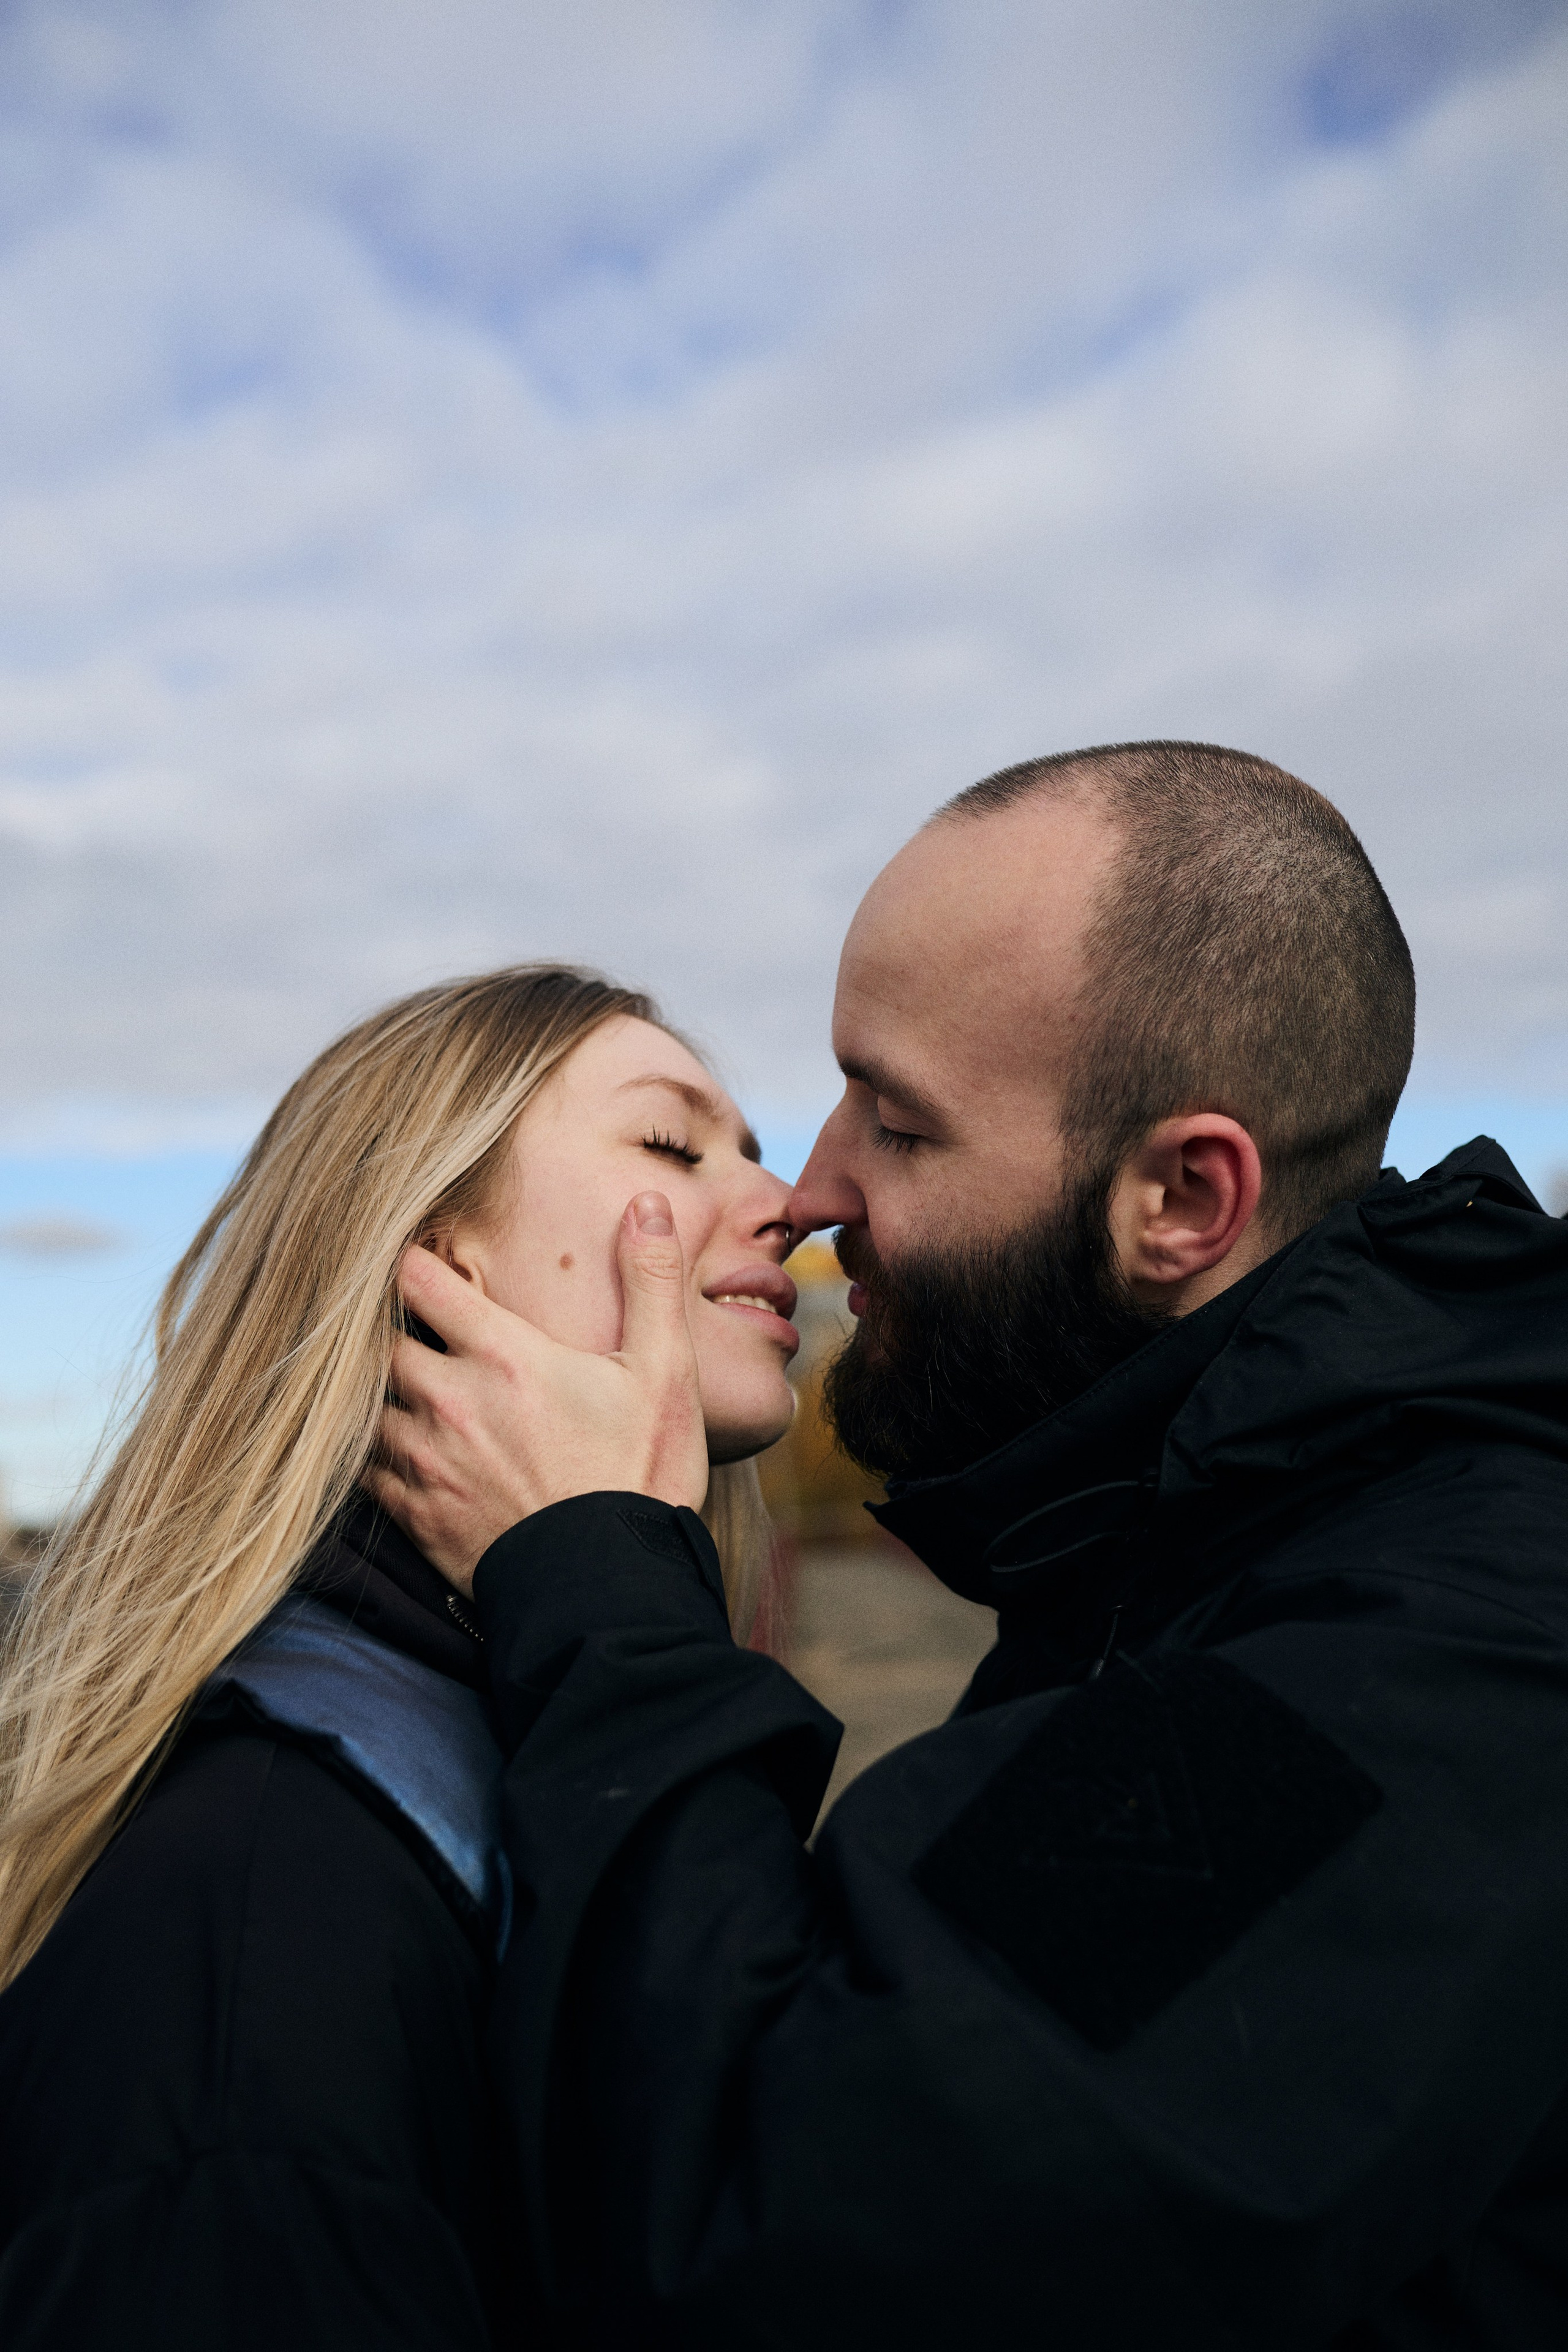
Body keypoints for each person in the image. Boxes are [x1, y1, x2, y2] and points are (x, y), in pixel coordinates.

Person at [378, 741, 1568, 2350]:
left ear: (1182, 1203)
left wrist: (597, 1579)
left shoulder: (1433, 1645)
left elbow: (788, 2217)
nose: (812, 1188)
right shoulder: (1188, 1528)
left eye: (904, 1125)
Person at [0, 964, 802, 2350]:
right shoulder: (259, 1924)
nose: (784, 1204)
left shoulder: (539, 1739)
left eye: (754, 1149)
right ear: (438, 1258)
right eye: (672, 1144)